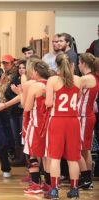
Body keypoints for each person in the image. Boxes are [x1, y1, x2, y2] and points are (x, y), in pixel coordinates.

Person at [44, 53, 81, 199]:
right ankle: (74, 189)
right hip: (73, 121)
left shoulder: (52, 80)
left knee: (55, 158)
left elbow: (48, 103)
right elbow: (77, 98)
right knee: (73, 158)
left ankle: (54, 190)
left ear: (56, 65)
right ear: (72, 65)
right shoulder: (78, 80)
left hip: (57, 121)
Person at [22, 61, 51, 194]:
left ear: (37, 72)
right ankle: (48, 184)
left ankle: (35, 184)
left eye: (33, 71)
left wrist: (22, 93)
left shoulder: (35, 86)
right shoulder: (53, 84)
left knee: (33, 154)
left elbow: (27, 107)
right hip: (50, 124)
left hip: (36, 124)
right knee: (47, 156)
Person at [77, 53, 99, 189]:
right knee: (86, 150)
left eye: (79, 63)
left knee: (77, 149)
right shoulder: (94, 77)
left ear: (83, 63)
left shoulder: (85, 78)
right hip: (88, 116)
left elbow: (75, 94)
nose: (78, 65)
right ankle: (87, 179)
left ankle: (85, 179)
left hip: (84, 116)